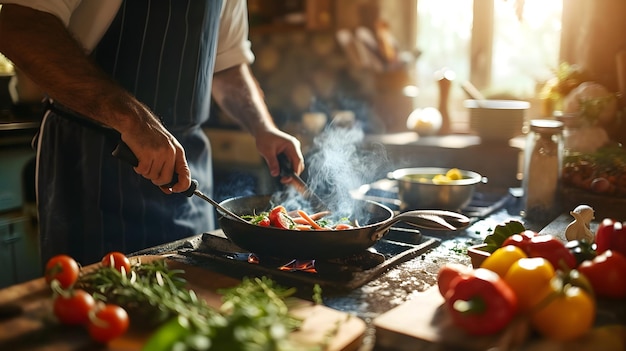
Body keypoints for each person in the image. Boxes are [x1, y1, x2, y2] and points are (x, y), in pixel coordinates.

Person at [0, 0, 305, 266]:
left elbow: (227, 64)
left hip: (189, 174)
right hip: (93, 163)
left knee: (197, 294)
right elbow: (22, 26)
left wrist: (263, 127)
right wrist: (132, 120)